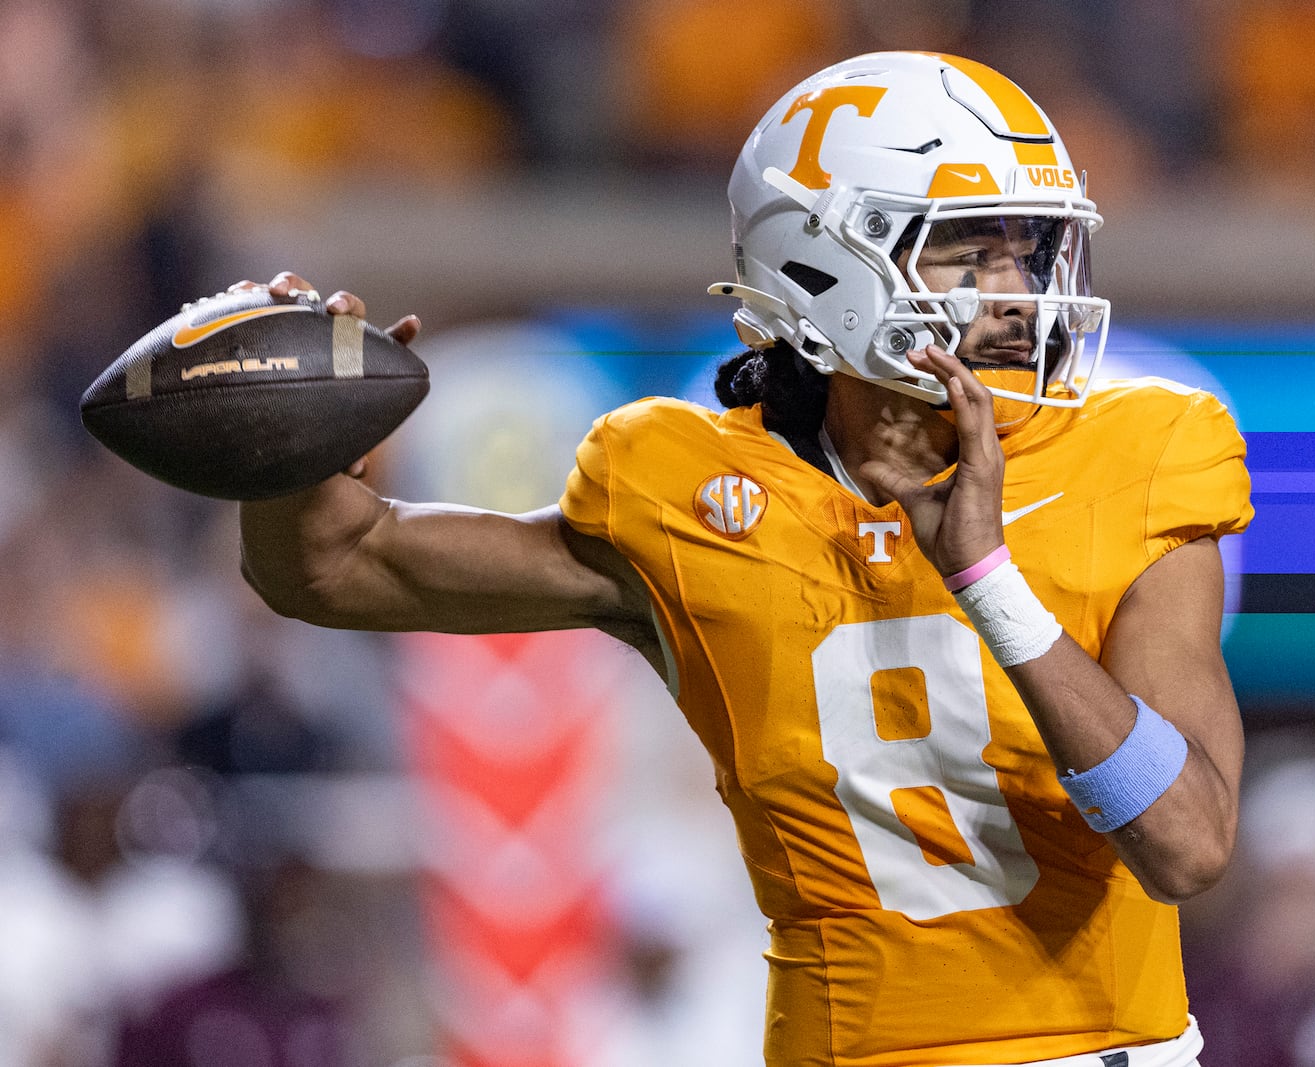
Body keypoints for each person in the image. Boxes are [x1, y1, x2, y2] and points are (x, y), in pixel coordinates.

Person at [235, 52, 1252, 1067]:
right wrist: (292, 446)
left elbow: (1188, 843)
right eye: (966, 252)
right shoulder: (686, 492)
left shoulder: (1139, 452)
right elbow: (329, 567)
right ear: (823, 266)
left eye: (1028, 250)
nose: (1015, 292)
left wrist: (987, 580)